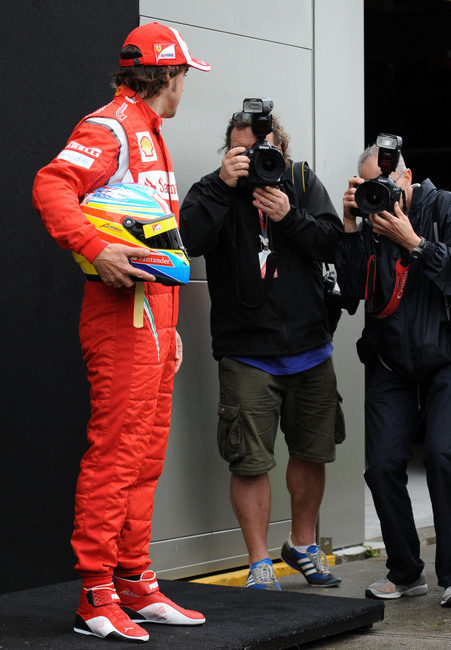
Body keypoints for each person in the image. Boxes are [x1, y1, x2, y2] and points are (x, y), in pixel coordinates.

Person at [32, 22, 209, 642]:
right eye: (186, 77)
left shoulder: (151, 133)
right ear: (170, 76)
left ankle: (135, 581)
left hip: (154, 320)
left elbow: (160, 242)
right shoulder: (110, 126)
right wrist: (94, 247)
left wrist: (172, 327)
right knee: (117, 454)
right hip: (119, 317)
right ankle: (95, 594)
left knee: (146, 457)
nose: (187, 88)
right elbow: (52, 185)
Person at [179, 107, 344, 592]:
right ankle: (258, 562)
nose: (251, 160)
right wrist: (220, 185)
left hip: (310, 348)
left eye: (258, 150)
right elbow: (186, 240)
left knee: (312, 452)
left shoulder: (299, 180)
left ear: (278, 147)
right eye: (239, 151)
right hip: (247, 352)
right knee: (249, 460)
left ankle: (303, 545)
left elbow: (332, 241)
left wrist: (288, 216)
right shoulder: (215, 189)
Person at [335, 142, 451, 608]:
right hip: (389, 361)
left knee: (444, 457)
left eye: (383, 182)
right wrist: (349, 225)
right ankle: (404, 572)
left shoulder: (447, 208)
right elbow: (346, 292)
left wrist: (414, 243)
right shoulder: (367, 220)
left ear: (407, 177)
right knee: (381, 468)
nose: (377, 192)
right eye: (366, 185)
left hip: (449, 358)